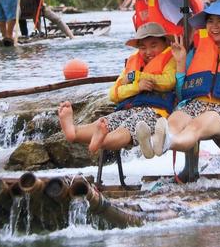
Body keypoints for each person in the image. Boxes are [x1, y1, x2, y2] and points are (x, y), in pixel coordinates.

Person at [135, 0, 220, 160]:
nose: (214, 26)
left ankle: (163, 143)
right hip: (193, 104)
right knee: (174, 122)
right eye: (210, 21)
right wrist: (181, 62)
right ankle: (153, 143)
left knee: (195, 127)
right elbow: (182, 94)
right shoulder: (195, 53)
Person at [57, 23, 176, 152]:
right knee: (107, 122)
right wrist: (137, 86)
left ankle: (102, 140)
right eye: (143, 47)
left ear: (165, 43)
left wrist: (139, 76)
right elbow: (114, 94)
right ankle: (73, 132)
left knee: (129, 127)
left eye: (154, 45)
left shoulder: (171, 59)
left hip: (155, 112)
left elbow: (169, 82)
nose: (148, 52)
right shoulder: (133, 64)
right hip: (130, 108)